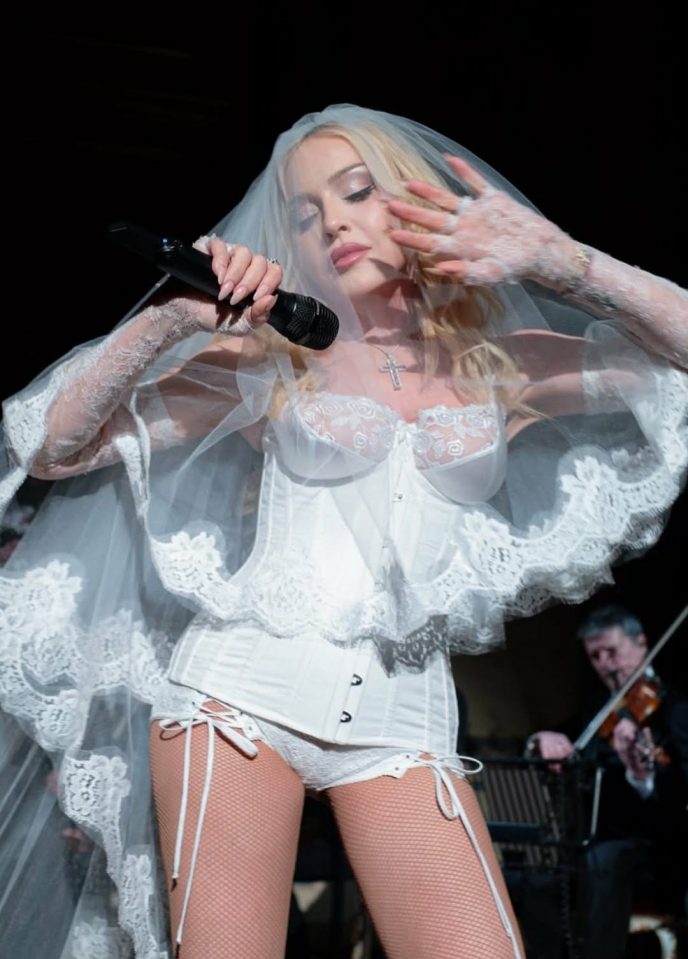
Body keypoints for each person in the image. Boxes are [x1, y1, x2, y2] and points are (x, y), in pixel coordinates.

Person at [0, 103, 686, 959]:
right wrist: (173, 315)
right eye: (304, 215)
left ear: (413, 199)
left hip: (404, 727)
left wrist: (565, 262)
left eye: (356, 192)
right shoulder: (272, 355)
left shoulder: (500, 367)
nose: (331, 224)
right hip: (238, 700)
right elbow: (58, 445)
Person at [527, 603, 688, 958]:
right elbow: (563, 739)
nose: (605, 664)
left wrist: (642, 777)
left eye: (612, 652)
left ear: (642, 643)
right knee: (532, 878)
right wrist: (541, 738)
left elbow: (679, 798)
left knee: (602, 861)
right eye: (595, 656)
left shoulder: (675, 709)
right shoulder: (600, 709)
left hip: (660, 847)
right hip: (595, 842)